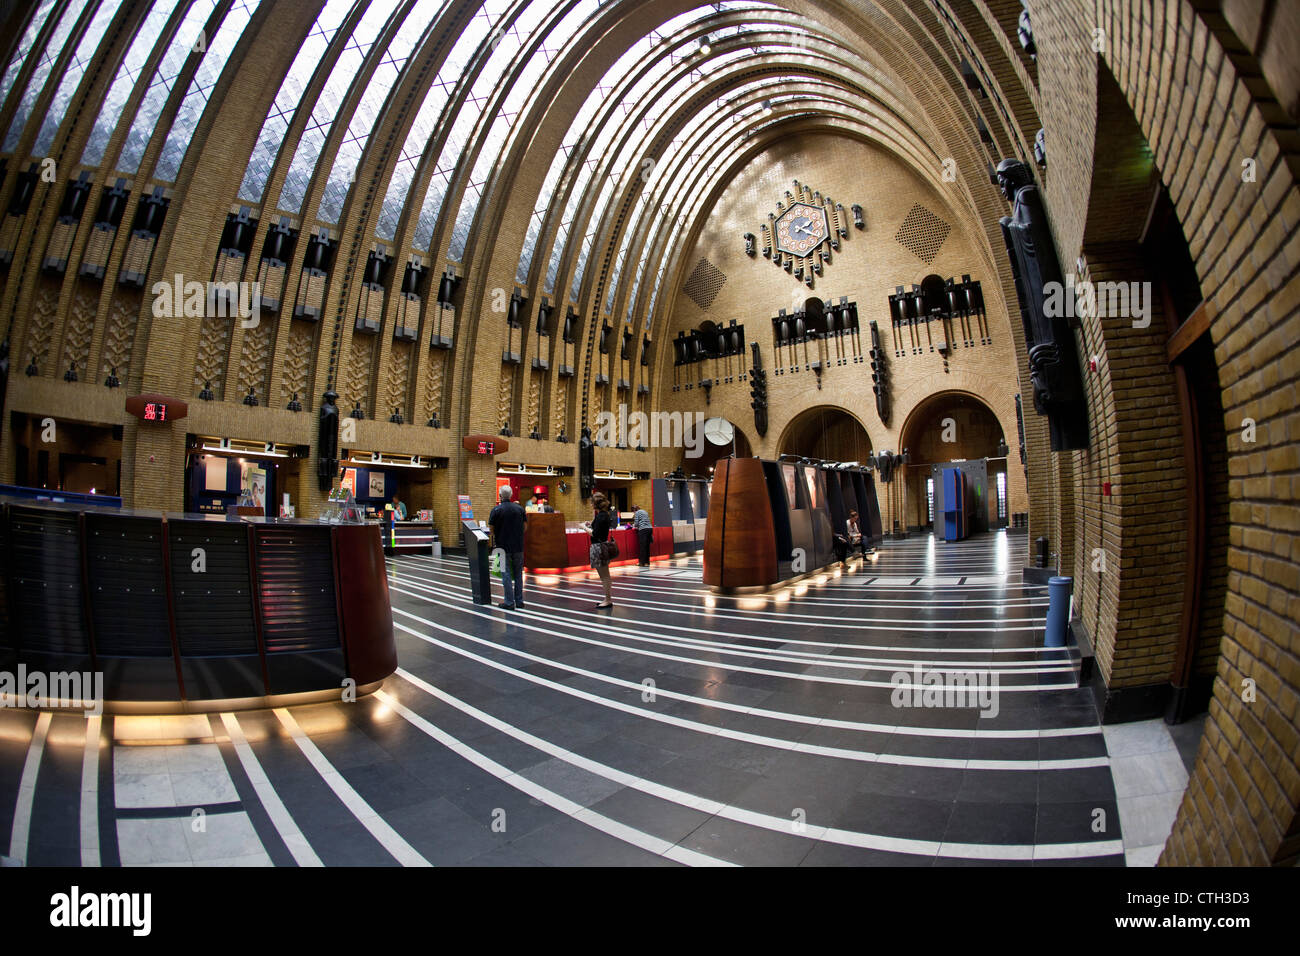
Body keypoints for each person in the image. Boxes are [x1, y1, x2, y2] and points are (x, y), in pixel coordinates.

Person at [487, 485, 528, 610]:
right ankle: (519, 601)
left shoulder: (496, 510)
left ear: (500, 495)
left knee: (506, 574)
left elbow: (491, 530)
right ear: (511, 495)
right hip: (518, 546)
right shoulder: (520, 509)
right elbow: (525, 527)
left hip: (502, 546)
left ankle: (509, 602)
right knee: (518, 574)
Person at [583, 492, 614, 608]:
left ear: (595, 504)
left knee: (604, 575)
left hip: (598, 548)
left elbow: (595, 534)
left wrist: (584, 527)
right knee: (605, 575)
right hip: (602, 546)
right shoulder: (604, 515)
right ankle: (607, 598)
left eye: (592, 502)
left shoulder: (601, 516)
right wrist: (590, 525)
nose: (590, 505)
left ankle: (607, 599)